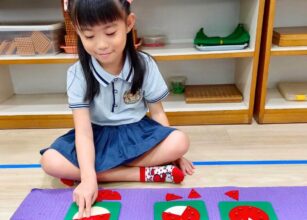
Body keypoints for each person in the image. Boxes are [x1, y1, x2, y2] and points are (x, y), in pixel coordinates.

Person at [40, 0, 194, 218]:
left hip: (137, 134)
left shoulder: (144, 64)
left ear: (129, 23)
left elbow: (157, 112)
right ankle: (140, 174)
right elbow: (83, 133)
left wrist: (174, 154)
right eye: (90, 36)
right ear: (78, 32)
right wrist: (88, 180)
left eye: (110, 32)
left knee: (180, 141)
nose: (101, 45)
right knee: (49, 161)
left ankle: (100, 173)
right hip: (96, 137)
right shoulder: (78, 73)